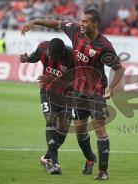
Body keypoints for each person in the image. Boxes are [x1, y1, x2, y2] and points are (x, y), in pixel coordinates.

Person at [21, 9, 125, 180]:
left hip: (96, 92)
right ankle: (90, 159)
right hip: (78, 92)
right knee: (80, 131)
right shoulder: (76, 31)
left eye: (85, 21)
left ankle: (103, 171)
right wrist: (34, 22)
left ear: (95, 23)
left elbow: (119, 69)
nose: (81, 24)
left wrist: (111, 88)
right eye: (81, 20)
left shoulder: (103, 46)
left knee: (100, 130)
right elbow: (57, 23)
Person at [19, 38, 96, 175]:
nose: (49, 56)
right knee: (50, 120)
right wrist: (27, 59)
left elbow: (80, 85)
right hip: (47, 91)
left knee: (63, 129)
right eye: (48, 53)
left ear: (61, 54)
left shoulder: (73, 59)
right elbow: (35, 57)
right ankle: (55, 163)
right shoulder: (43, 48)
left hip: (67, 94)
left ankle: (46, 157)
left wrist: (56, 80)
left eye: (52, 55)